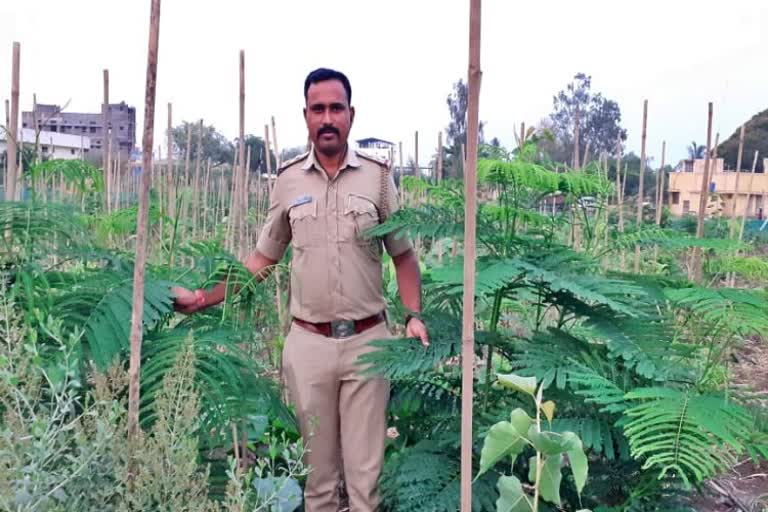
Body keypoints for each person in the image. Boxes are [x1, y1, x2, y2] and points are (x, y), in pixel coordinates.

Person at [173, 67, 428, 512]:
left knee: (367, 484)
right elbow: (261, 260)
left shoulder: (377, 179)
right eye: (318, 109)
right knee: (317, 482)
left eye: (336, 108)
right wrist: (200, 299)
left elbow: (403, 254)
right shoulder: (288, 181)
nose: (327, 118)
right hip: (308, 346)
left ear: (351, 114)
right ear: (305, 116)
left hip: (369, 343)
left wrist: (413, 315)